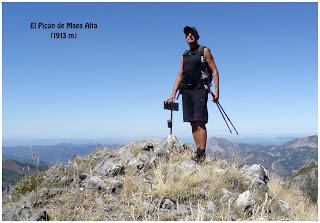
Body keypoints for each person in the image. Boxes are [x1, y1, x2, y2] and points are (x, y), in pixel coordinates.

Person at [167, 26, 220, 163]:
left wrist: (217, 91)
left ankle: (202, 154)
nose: (189, 36)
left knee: (200, 121)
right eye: (187, 34)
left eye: (192, 33)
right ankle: (198, 152)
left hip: (199, 89)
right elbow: (180, 76)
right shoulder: (185, 55)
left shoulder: (204, 50)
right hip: (186, 90)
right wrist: (173, 93)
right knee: (192, 121)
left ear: (197, 36)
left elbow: (214, 70)